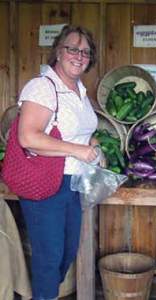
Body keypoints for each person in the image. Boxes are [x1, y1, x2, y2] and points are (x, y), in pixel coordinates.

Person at [17, 25, 104, 300]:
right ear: (58, 50)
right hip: (47, 183)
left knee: (66, 253)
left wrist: (91, 145)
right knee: (48, 259)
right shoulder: (43, 87)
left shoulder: (79, 90)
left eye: (86, 52)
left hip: (74, 184)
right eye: (72, 48)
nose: (79, 55)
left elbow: (79, 132)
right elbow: (28, 137)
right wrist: (77, 150)